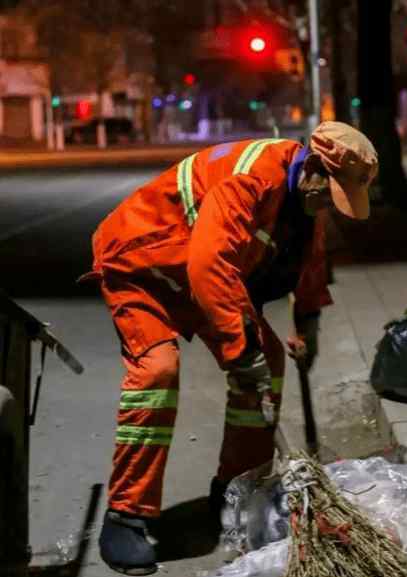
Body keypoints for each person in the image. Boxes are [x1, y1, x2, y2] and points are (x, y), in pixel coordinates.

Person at [86, 121, 378, 575]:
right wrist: (243, 354)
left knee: (271, 358)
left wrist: (308, 325)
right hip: (144, 265)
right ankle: (126, 515)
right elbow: (210, 267)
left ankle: (237, 492)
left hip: (198, 278)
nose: (329, 208)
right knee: (157, 372)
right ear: (316, 170)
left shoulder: (304, 196)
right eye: (329, 197)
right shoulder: (253, 177)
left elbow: (309, 263)